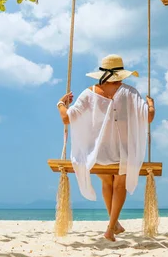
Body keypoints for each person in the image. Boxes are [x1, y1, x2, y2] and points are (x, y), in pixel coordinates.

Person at [56, 54, 155, 241]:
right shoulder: (130, 93)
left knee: (106, 183)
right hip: (123, 152)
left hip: (97, 152)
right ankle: (111, 227)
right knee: (119, 185)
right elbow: (148, 117)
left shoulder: (89, 93)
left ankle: (113, 223)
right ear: (121, 74)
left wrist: (61, 104)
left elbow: (66, 118)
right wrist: (151, 105)